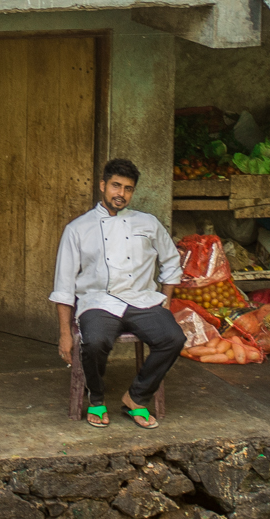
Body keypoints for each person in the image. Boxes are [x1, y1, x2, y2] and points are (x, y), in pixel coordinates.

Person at [50, 159, 187, 429]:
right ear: (103, 186)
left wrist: (166, 301)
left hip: (142, 300)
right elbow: (64, 285)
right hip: (99, 303)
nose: (121, 194)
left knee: (173, 338)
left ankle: (136, 398)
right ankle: (97, 399)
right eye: (116, 186)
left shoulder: (147, 223)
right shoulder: (77, 229)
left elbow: (171, 261)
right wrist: (65, 333)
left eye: (128, 189)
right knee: (95, 342)